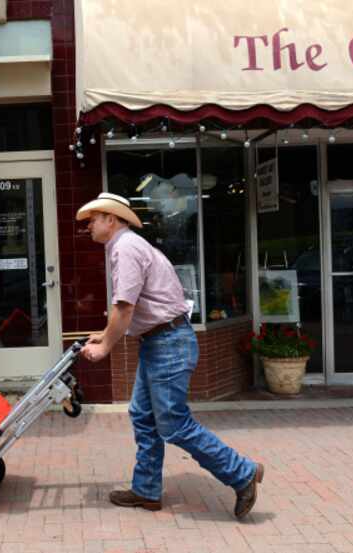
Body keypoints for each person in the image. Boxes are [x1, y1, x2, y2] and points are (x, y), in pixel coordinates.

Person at [76, 192, 264, 520]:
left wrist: (105, 347)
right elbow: (126, 307)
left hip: (168, 344)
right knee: (143, 416)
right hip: (160, 342)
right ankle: (147, 490)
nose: (89, 225)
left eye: (93, 218)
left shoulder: (125, 247)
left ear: (112, 219)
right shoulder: (124, 246)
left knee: (174, 425)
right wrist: (104, 335)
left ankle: (242, 472)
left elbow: (124, 307)